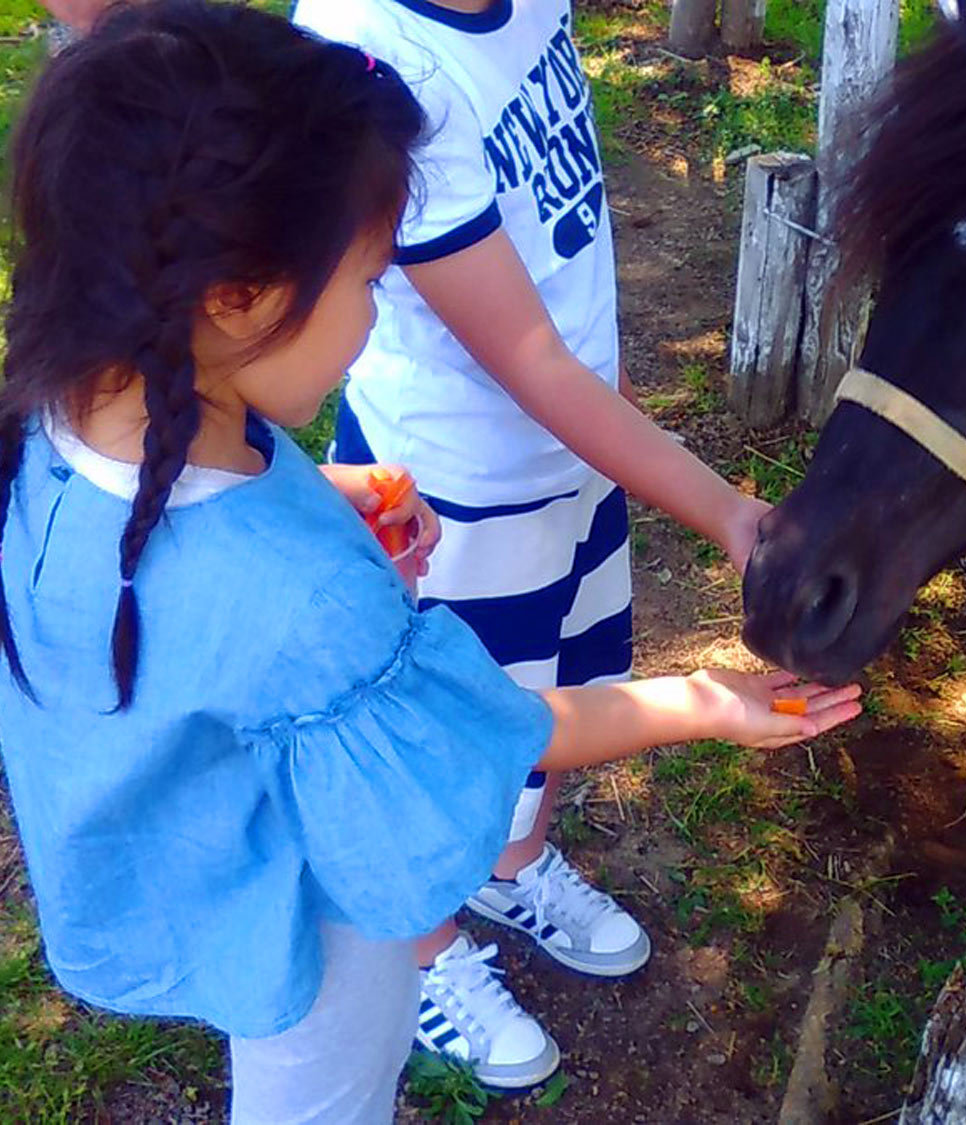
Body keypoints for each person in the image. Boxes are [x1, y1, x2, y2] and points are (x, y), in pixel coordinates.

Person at [0, 6, 858, 1122]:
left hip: (197, 853)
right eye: (367, 281)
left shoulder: (53, 419)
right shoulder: (305, 604)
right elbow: (498, 728)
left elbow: (181, 562)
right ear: (234, 298)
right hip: (315, 934)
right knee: (329, 1095)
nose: (374, 317)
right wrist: (709, 704)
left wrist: (318, 498)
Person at [288, 0, 776, 1086]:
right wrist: (727, 512)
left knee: (563, 675)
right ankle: (421, 949)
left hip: (572, 445)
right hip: (449, 484)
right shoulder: (379, 53)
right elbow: (522, 354)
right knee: (447, 739)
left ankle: (506, 868)